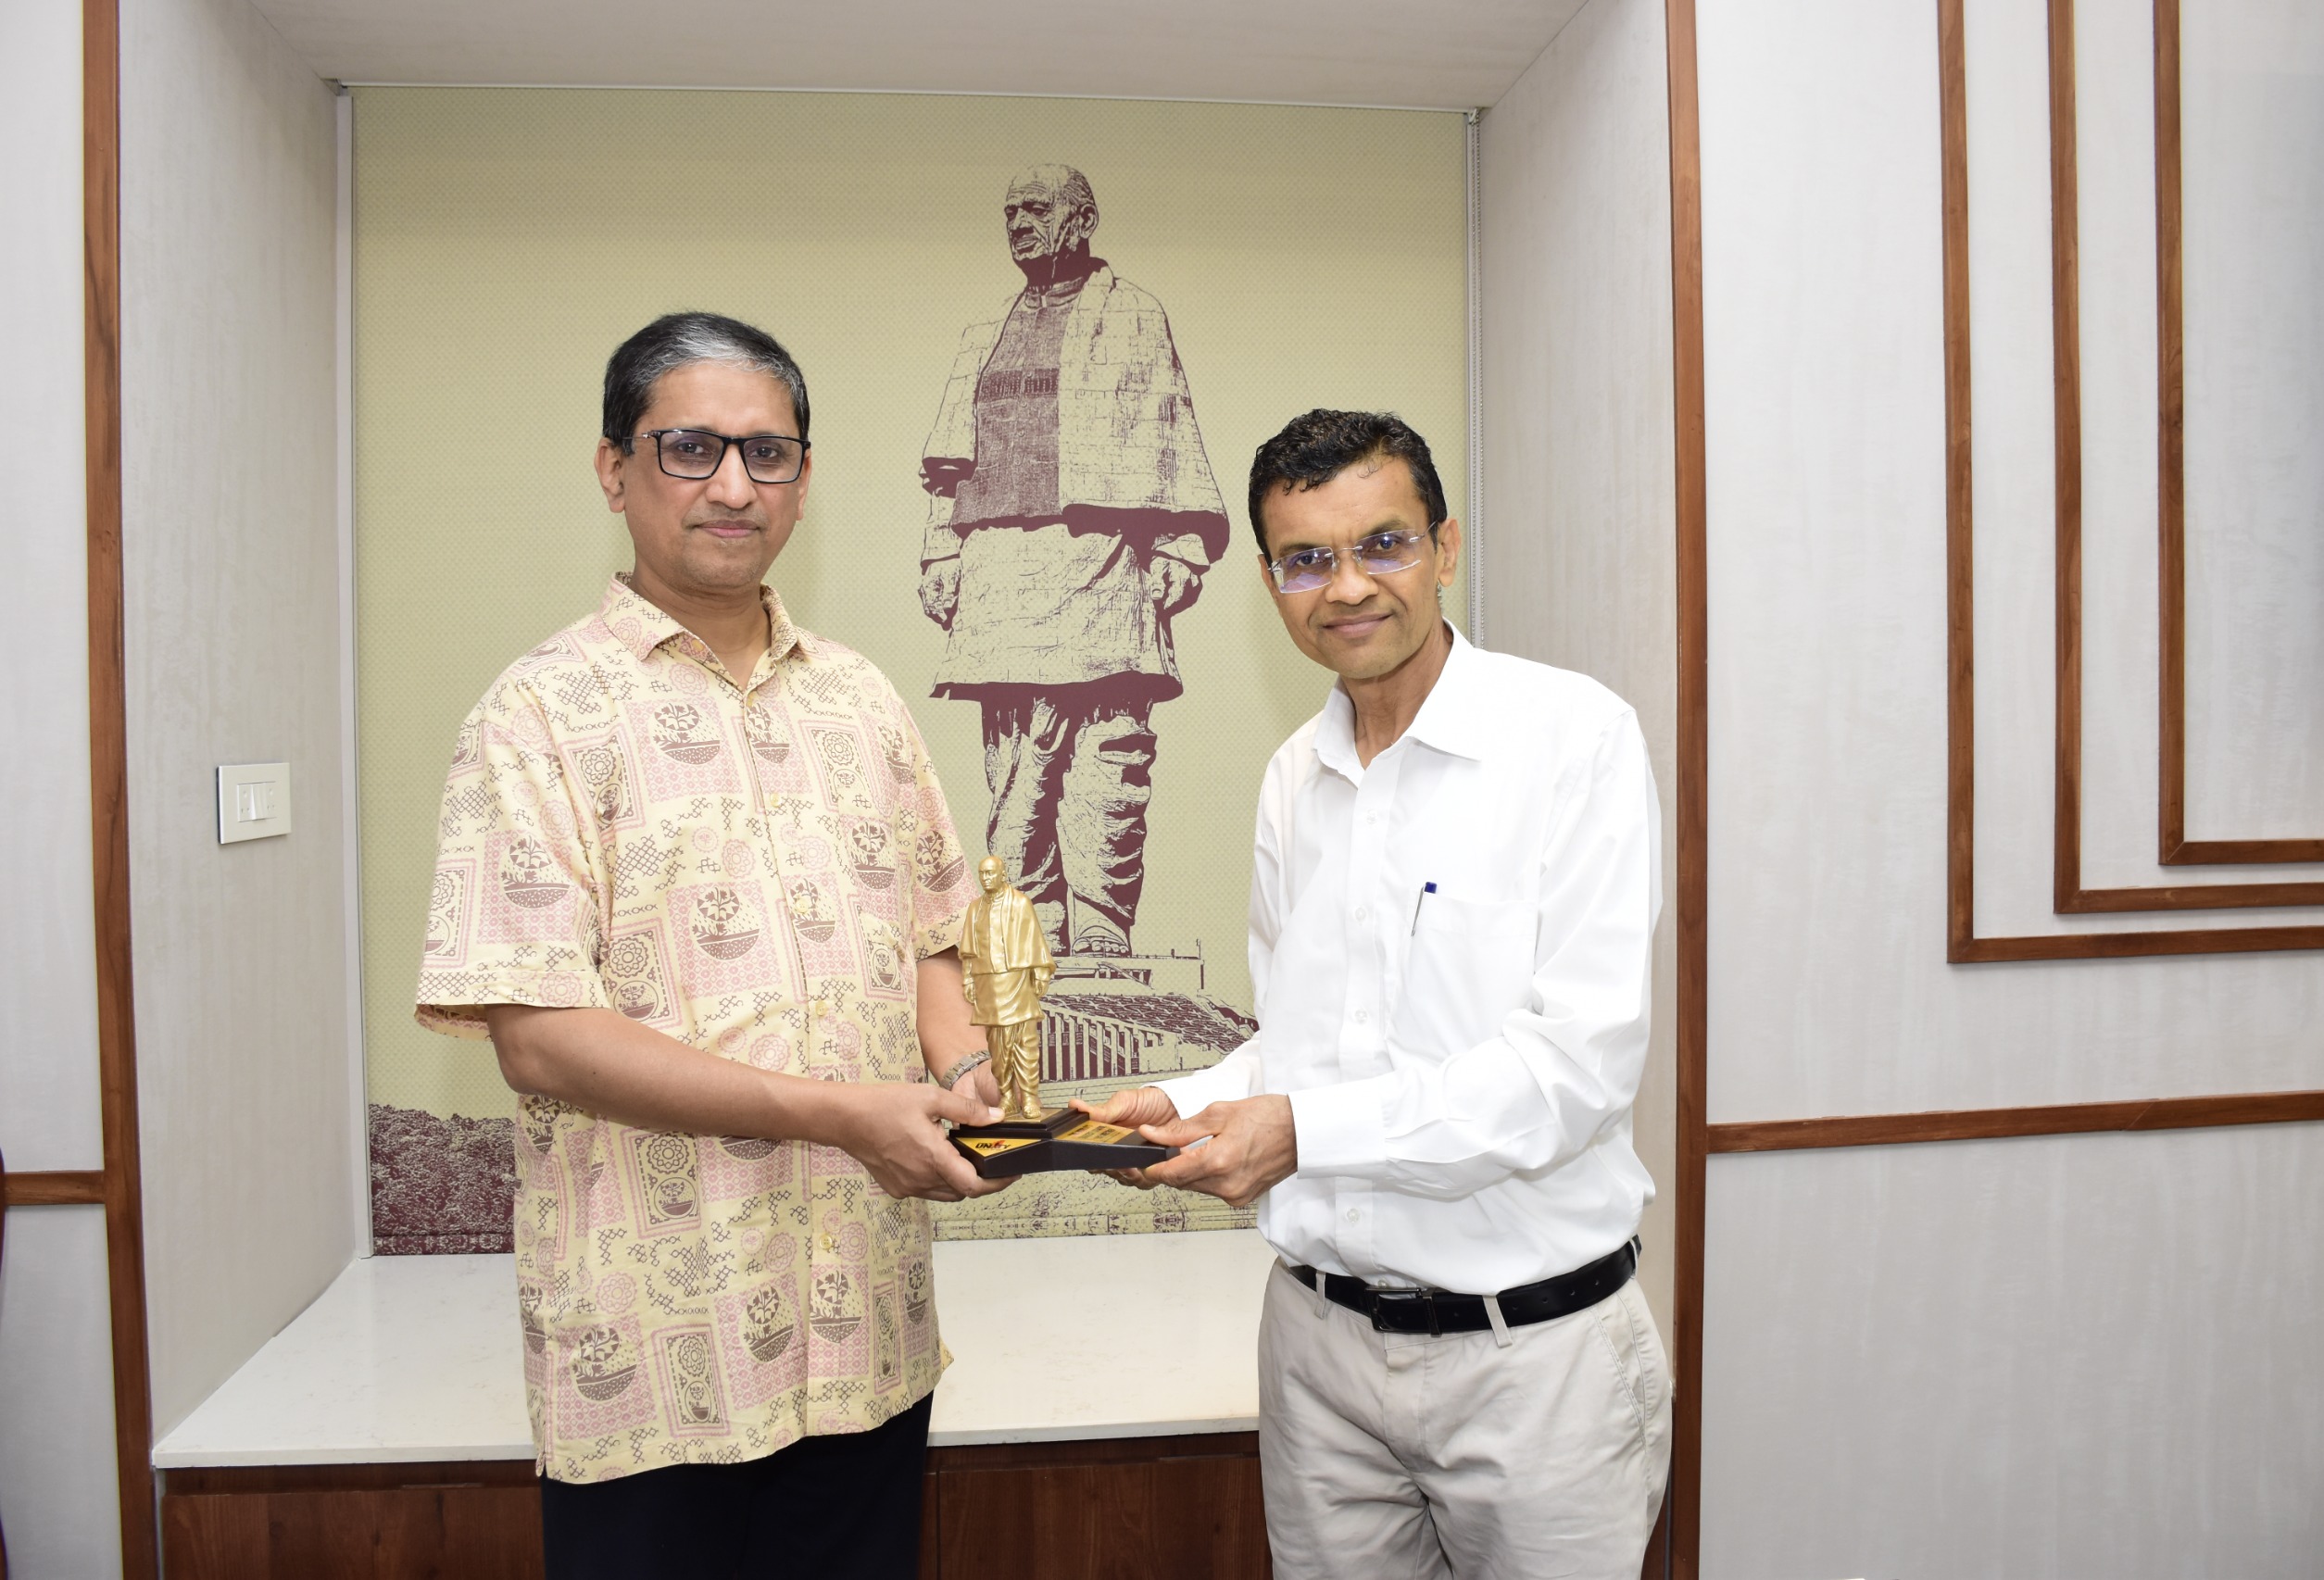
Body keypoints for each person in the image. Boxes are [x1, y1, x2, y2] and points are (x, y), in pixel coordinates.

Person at [415, 311, 1010, 1580]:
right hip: (655, 1349)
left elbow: (931, 940)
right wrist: (844, 1112)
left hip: (864, 1328)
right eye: (690, 448)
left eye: (767, 452)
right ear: (613, 468)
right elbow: (540, 1039)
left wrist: (966, 1077)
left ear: (803, 475)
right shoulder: (538, 713)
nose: (734, 485)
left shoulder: (860, 697)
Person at [1080, 410, 1672, 1578]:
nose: (1346, 586)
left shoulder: (1573, 738)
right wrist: (1179, 1102)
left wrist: (1299, 1132)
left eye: (1382, 544)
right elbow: (1296, 1045)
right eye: (1306, 559)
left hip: (1531, 1358)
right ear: (1269, 580)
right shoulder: (1293, 776)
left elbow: (1571, 1073)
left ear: (1444, 547)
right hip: (1318, 1353)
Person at [915, 163, 1230, 957]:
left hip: (1101, 561)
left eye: (1036, 209)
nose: (1019, 224)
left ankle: (1100, 931)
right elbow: (950, 466)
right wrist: (941, 551)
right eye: (1010, 212)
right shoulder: (983, 332)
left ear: (1081, 220)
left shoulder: (1134, 316)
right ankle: (1037, 935)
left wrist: (1180, 545)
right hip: (997, 566)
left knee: (1107, 748)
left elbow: (1169, 429)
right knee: (1014, 756)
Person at [958, 854, 1057, 1122]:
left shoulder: (1020, 903)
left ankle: (1029, 1096)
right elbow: (968, 952)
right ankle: (1007, 1095)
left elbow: (1034, 940)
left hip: (1017, 980)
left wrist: (1040, 973)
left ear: (1003, 874)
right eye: (982, 873)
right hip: (988, 983)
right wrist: (968, 979)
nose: (986, 878)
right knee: (997, 1045)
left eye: (991, 873)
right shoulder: (975, 908)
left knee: (1025, 1040)